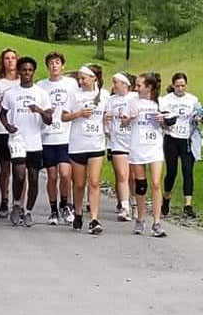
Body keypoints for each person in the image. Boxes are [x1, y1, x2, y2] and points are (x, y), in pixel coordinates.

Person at [0, 57, 53, 227]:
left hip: (35, 141)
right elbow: (2, 113)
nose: (27, 73)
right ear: (19, 72)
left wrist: (39, 110)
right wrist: (7, 126)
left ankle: (28, 211)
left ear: (34, 72)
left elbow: (49, 120)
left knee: (34, 177)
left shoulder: (41, 94)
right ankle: (16, 204)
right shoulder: (11, 93)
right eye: (24, 70)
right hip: (17, 140)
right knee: (19, 174)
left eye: (30, 70)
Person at [122, 72, 172, 238]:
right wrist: (130, 118)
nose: (136, 88)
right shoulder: (132, 101)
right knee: (141, 185)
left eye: (139, 85)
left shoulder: (160, 102)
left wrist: (163, 120)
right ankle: (140, 218)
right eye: (135, 85)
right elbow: (123, 122)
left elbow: (168, 125)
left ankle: (157, 222)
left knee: (156, 183)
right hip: (138, 146)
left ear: (149, 87)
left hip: (155, 147)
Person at [62, 65, 109, 234]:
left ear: (94, 78)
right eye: (79, 78)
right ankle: (79, 212)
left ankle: (94, 219)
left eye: (84, 78)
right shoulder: (74, 94)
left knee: (95, 182)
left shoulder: (104, 95)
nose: (81, 81)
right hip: (78, 143)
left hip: (96, 143)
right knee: (79, 183)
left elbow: (106, 114)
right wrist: (79, 114)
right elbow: (64, 116)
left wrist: (107, 118)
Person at [36, 52, 78, 225]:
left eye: (57, 62)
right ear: (47, 67)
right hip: (47, 136)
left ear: (63, 65)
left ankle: (65, 203)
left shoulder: (71, 84)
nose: (54, 66)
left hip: (66, 135)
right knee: (52, 176)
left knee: (66, 173)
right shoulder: (41, 86)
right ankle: (53, 210)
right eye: (51, 63)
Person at [159, 72, 203, 219]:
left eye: (183, 86)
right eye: (177, 86)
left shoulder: (192, 99)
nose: (180, 88)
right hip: (171, 138)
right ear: (173, 86)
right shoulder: (165, 100)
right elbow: (163, 118)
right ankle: (166, 198)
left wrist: (200, 117)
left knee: (187, 170)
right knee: (171, 172)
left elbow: (199, 115)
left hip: (187, 139)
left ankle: (188, 205)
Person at [0, 48, 19, 218]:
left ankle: (18, 202)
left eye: (13, 58)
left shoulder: (23, 81)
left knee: (20, 168)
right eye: (7, 58)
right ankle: (4, 198)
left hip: (18, 131)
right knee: (5, 168)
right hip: (1, 130)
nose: (10, 61)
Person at [104, 73, 137, 222]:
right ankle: (125, 208)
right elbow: (106, 118)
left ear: (125, 84)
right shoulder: (111, 100)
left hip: (134, 142)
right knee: (122, 175)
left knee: (134, 177)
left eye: (116, 82)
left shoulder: (135, 98)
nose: (114, 85)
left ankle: (135, 202)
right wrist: (106, 123)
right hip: (117, 142)